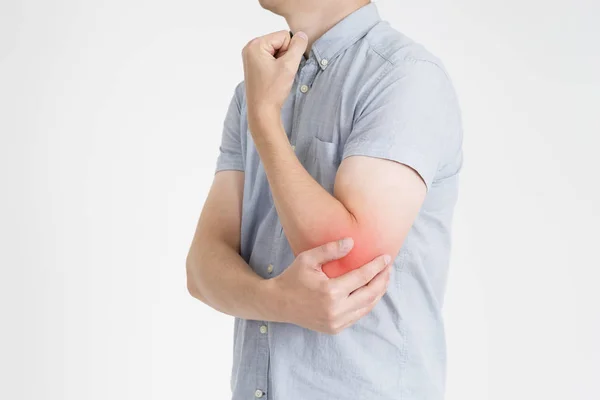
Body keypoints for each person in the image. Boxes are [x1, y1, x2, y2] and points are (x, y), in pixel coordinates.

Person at [186, 0, 463, 398]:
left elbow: (345, 266)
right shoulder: (251, 94)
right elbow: (201, 270)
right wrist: (276, 301)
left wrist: (266, 121)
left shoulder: (404, 77)